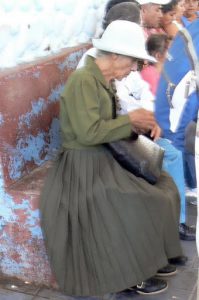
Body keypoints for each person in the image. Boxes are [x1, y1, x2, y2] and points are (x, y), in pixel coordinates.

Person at [40, 20, 183, 297]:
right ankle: (131, 274)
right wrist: (130, 120)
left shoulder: (102, 80)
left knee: (164, 187)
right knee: (137, 199)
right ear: (115, 55)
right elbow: (88, 132)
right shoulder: (84, 80)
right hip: (83, 164)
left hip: (102, 155)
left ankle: (150, 259)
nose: (133, 69)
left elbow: (105, 123)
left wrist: (137, 123)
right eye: (133, 62)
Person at [78, 1, 195, 242]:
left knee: (170, 152)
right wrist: (142, 118)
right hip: (108, 135)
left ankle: (176, 222)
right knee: (158, 157)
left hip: (124, 127)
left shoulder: (125, 54)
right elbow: (116, 104)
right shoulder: (97, 61)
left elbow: (140, 89)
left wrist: (151, 115)